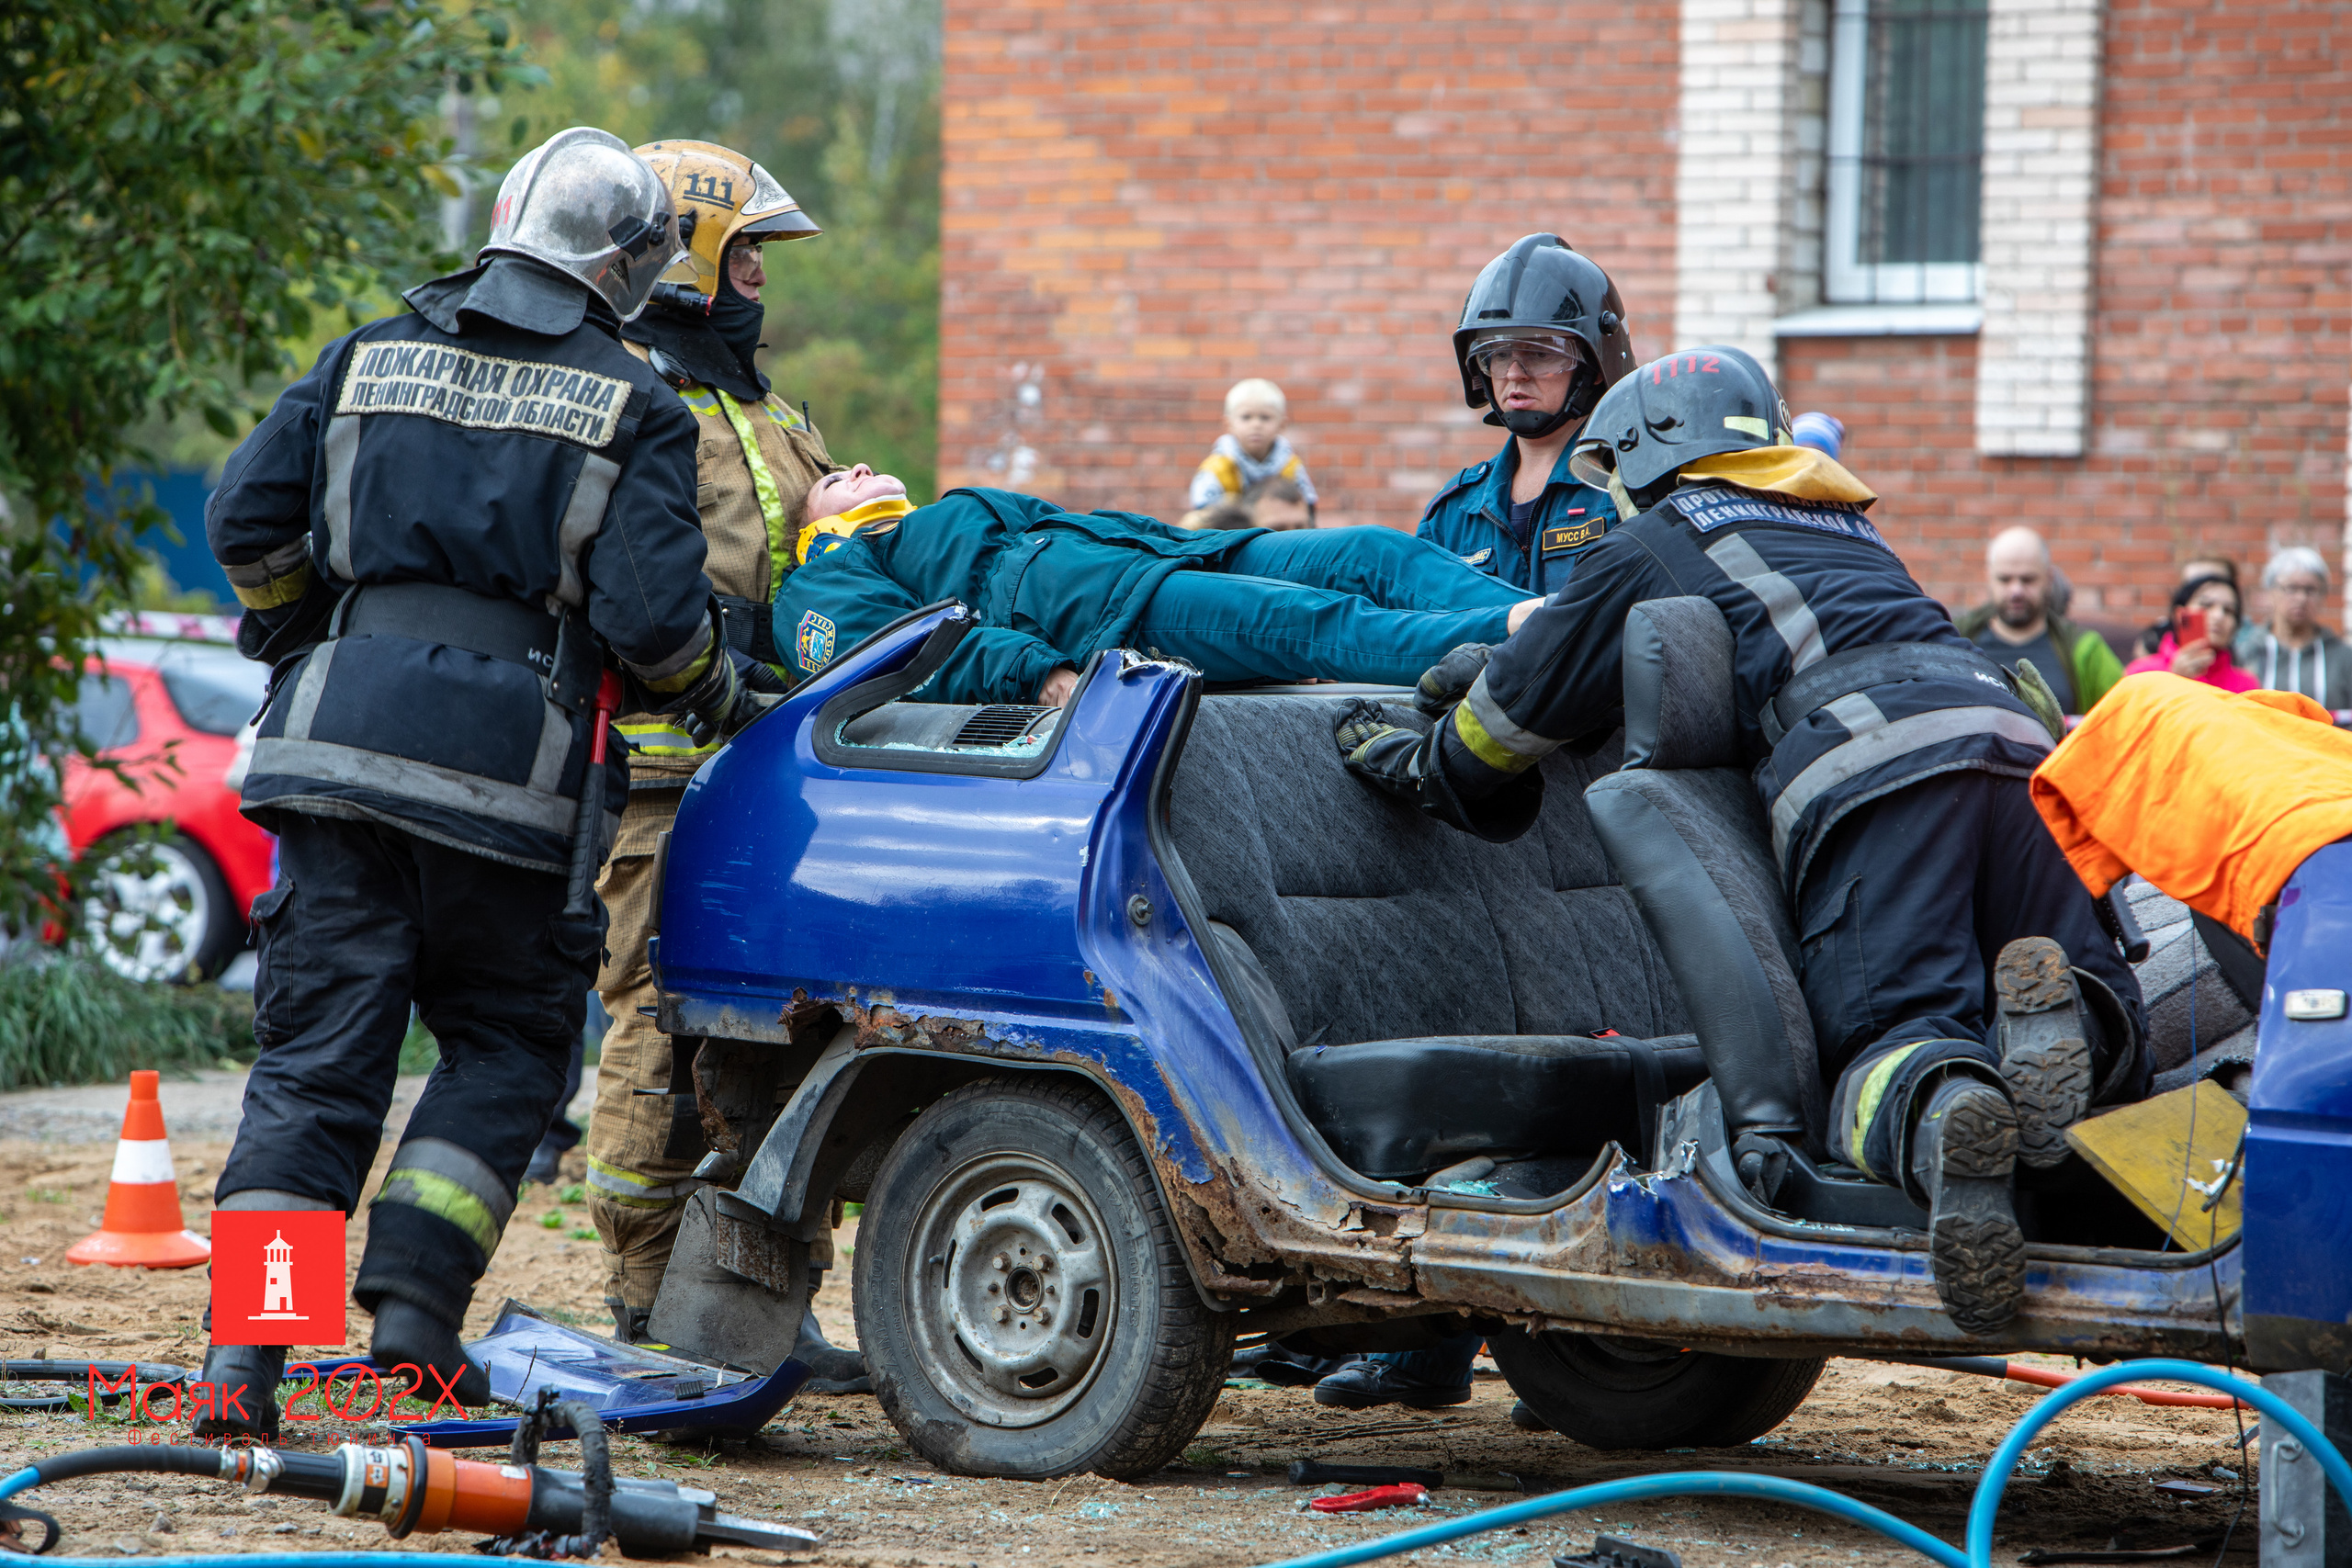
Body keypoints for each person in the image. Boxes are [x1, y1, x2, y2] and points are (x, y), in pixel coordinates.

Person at [1333, 345, 2147, 1336]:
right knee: (2080, 974)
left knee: (1889, 1037)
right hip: (2023, 754)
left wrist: (1425, 758)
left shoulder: (1659, 533)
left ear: (1646, 450)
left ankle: (1945, 1117)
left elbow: (1503, 724)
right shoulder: (1846, 524)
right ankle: (2067, 1033)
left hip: (1877, 771)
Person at [197, 128, 776, 1438]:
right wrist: (721, 697)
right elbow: (655, 625)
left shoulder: (363, 354)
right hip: (510, 792)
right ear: (627, 267)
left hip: (330, 762)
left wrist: (306, 630)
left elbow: (245, 519)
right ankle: (415, 1306)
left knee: (312, 1070)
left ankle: (246, 1363)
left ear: (507, 219)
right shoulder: (635, 401)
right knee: (509, 1044)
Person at [573, 140, 859, 1387]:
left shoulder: (772, 411)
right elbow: (631, 591)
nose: (761, 278)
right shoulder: (632, 396)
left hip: (774, 772)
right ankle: (646, 1298)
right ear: (685, 259)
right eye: (744, 255)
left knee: (786, 1030)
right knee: (658, 1026)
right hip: (658, 779)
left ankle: (765, 1307)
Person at [776, 468, 1542, 702]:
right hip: (1111, 616)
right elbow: (913, 652)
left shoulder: (950, 510)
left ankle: (1561, 617)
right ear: (813, 524)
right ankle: (1520, 639)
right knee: (1314, 619)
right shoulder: (822, 578)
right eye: (835, 480)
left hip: (1173, 554)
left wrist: (1206, 542)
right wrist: (1039, 674)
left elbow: (1087, 525)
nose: (858, 468)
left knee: (1374, 551)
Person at [1416, 234, 1638, 592]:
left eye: (1540, 353)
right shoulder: (1452, 514)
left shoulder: (1634, 487)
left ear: (1595, 367)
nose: (1514, 373)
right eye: (1500, 354)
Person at [1954, 526, 2124, 716]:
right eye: (2005, 579)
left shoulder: (2086, 649)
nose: (2016, 591)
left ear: (2048, 578)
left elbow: (2126, 713)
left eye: (2028, 579)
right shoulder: (1953, 641)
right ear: (1989, 577)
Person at [1182, 378, 1317, 524]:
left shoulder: (1290, 465)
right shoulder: (1217, 468)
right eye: (1246, 417)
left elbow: (1308, 510)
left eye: (1265, 418)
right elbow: (1204, 516)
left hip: (1277, 533)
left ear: (1282, 424)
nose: (1256, 424)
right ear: (1228, 424)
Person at [2244, 547, 2352, 715]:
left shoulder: (2343, 658)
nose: (2301, 598)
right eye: (2291, 588)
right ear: (2271, 592)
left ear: (2323, 596)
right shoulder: (2249, 652)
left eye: (2310, 590)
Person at [2124, 576, 2256, 692]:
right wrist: (2174, 681)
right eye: (2206, 605)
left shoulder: (2246, 685)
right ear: (2179, 613)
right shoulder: (2142, 673)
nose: (2218, 616)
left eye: (2229, 610)